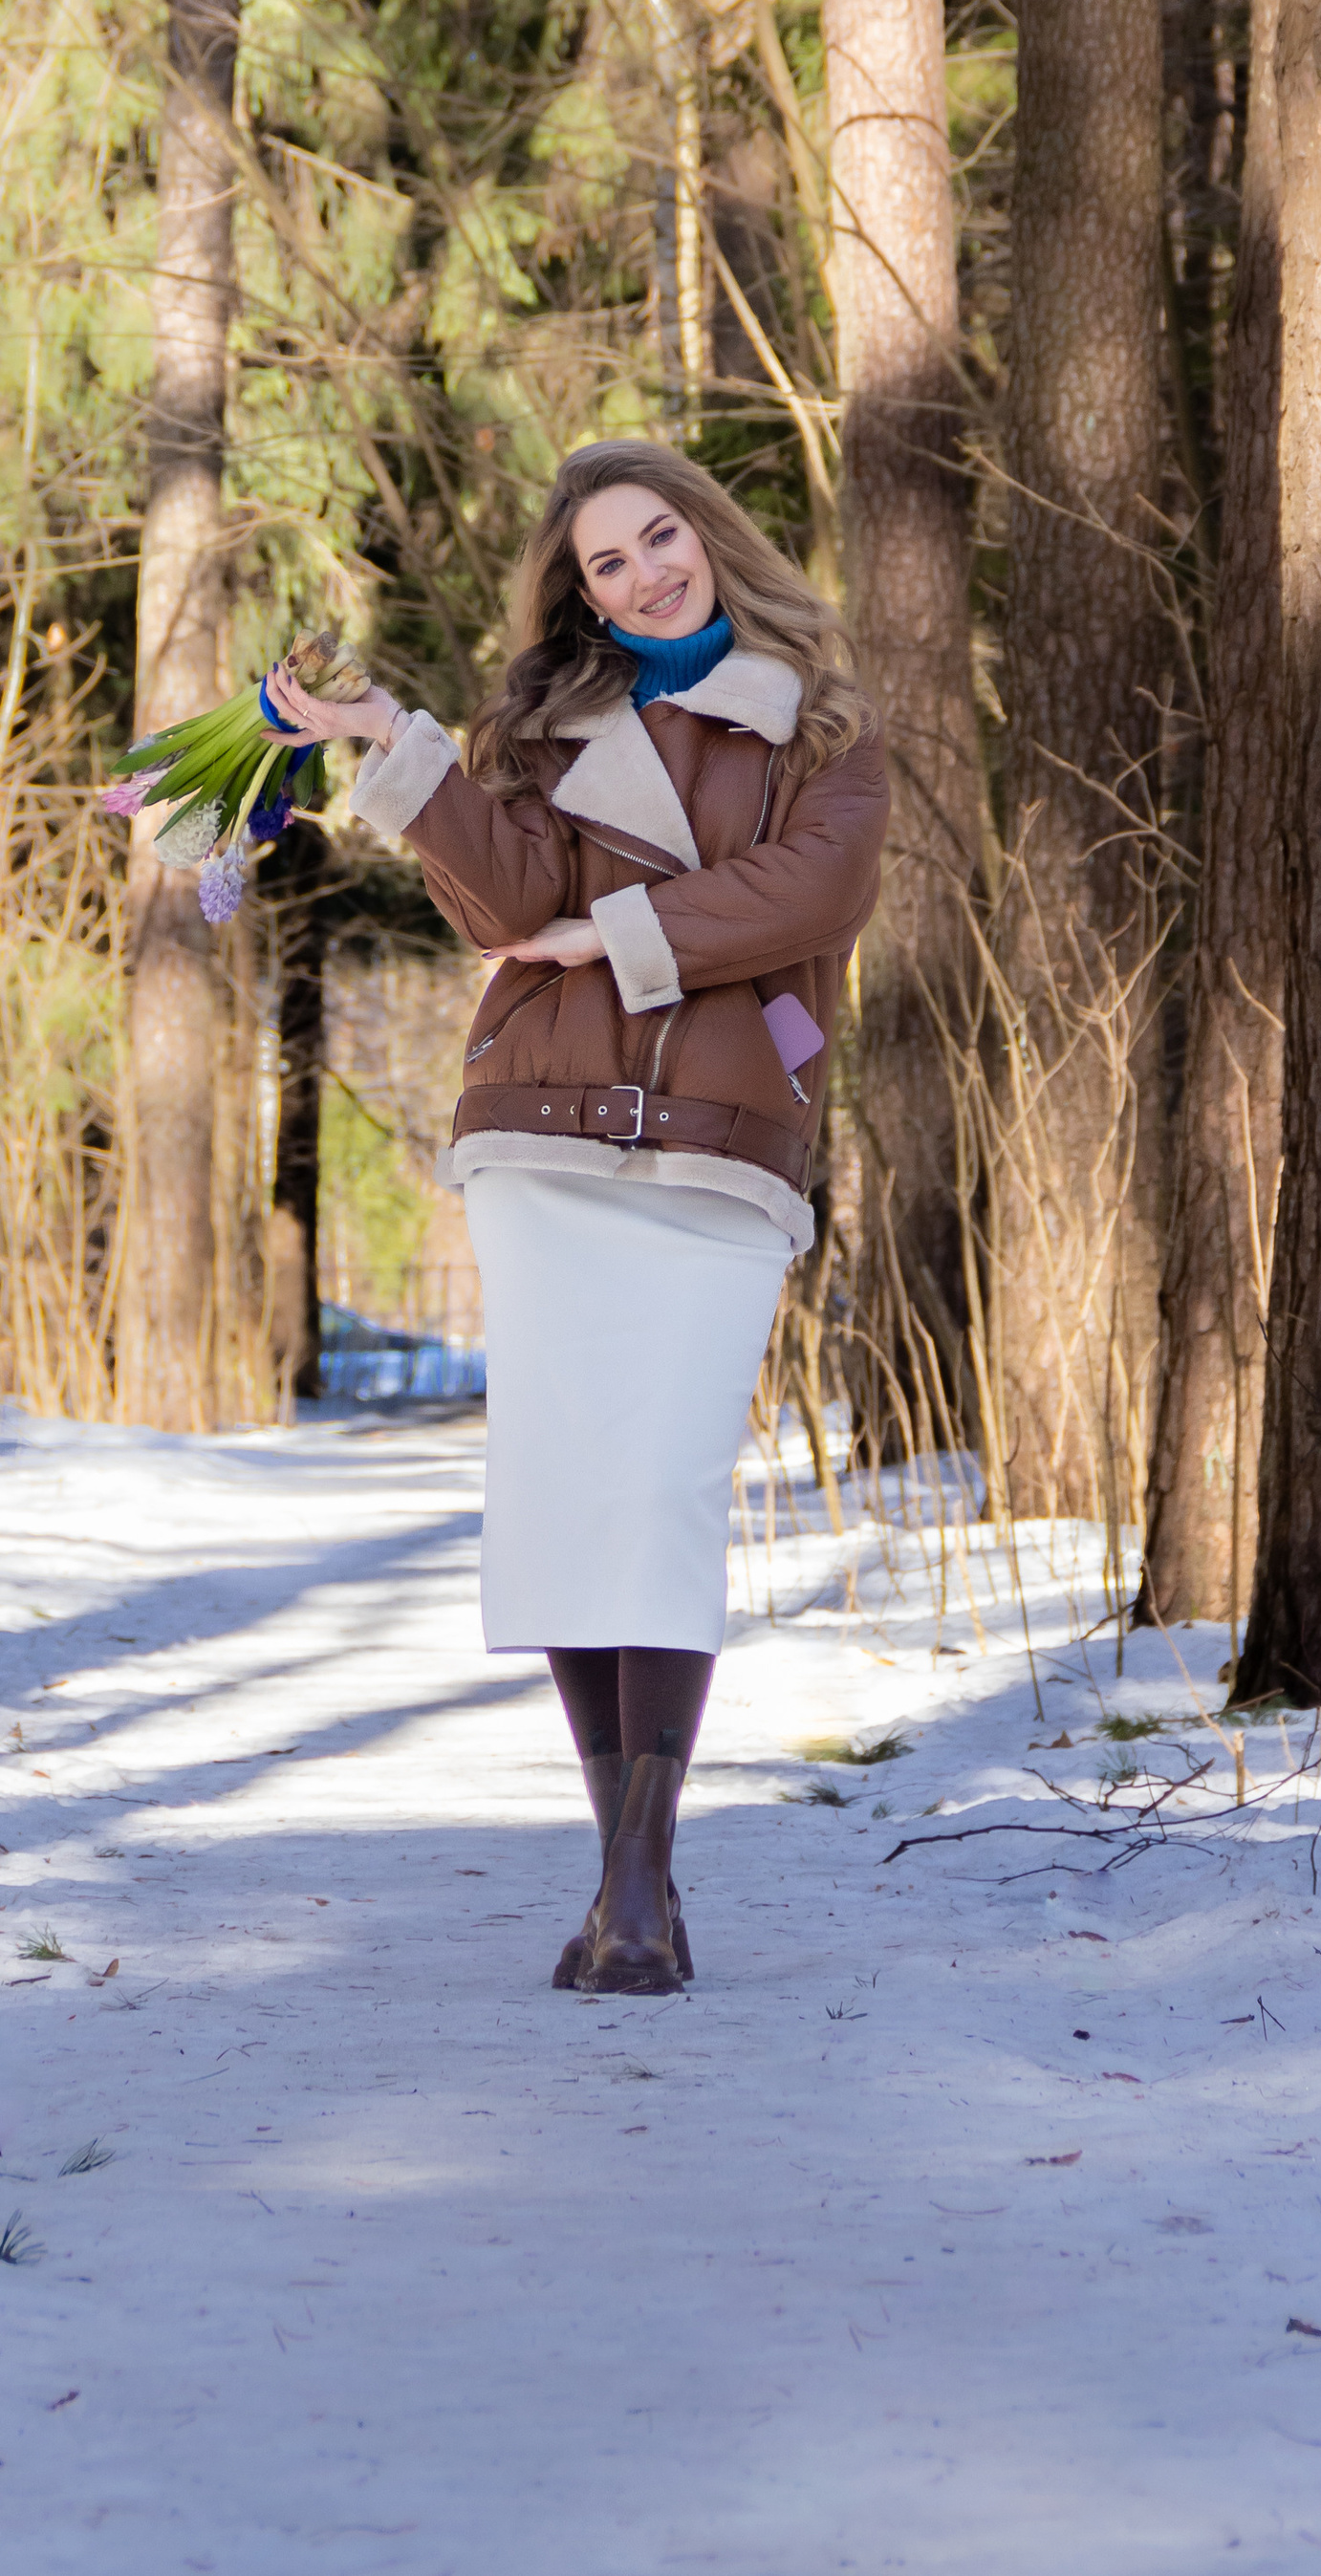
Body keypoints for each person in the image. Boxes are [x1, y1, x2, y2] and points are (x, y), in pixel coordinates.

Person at [266, 440, 887, 1995]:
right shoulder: (551, 726)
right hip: (545, 1140)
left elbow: (812, 895)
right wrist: (391, 743)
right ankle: (632, 1889)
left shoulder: (823, 716)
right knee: (563, 1490)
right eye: (604, 563)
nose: (640, 575)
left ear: (708, 534)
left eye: (656, 539)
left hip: (717, 1149)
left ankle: (638, 1877)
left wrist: (604, 933)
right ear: (582, 592)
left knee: (664, 1487)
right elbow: (495, 909)